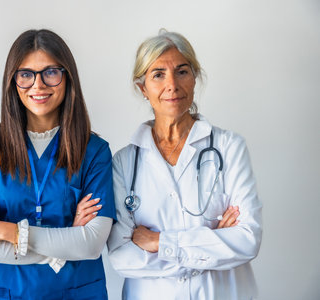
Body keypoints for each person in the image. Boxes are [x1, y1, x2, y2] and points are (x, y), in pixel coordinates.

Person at [0, 29, 116, 300]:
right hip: (4, 293)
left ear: (68, 77)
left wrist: (6, 231)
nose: (38, 85)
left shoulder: (94, 152)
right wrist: (65, 245)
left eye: (51, 72)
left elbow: (91, 244)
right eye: (26, 74)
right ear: (13, 81)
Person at [107, 29, 262, 300]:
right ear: (142, 88)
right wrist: (211, 244)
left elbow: (247, 240)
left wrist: (159, 243)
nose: (172, 85)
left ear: (194, 77)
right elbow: (122, 258)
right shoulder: (124, 162)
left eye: (182, 71)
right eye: (158, 75)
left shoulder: (229, 147)